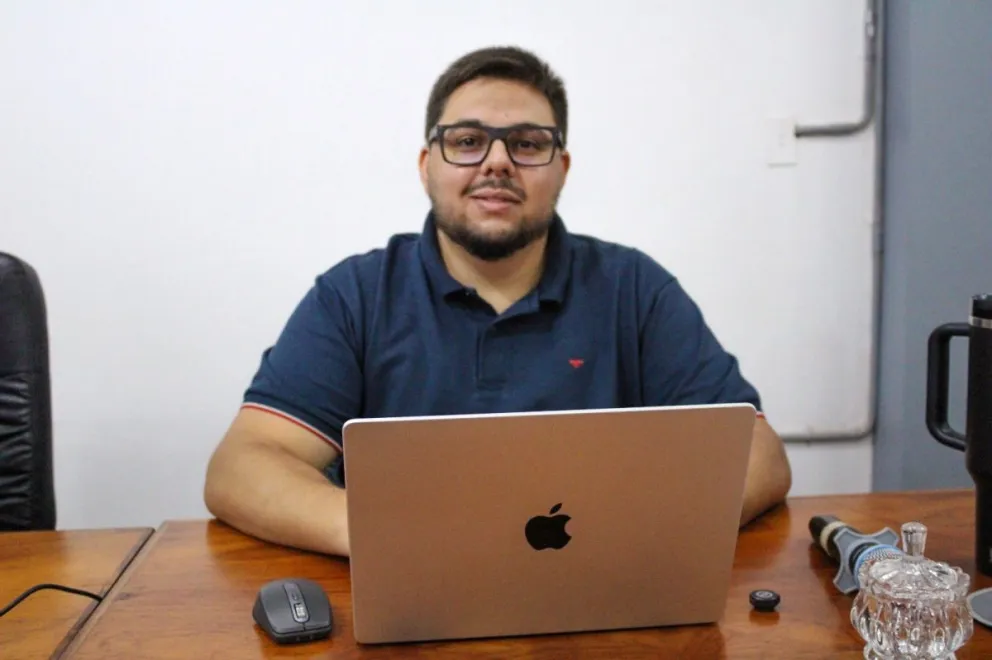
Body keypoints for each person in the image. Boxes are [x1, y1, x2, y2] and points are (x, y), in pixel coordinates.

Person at [203, 45, 792, 558]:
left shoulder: (635, 289)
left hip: (604, 588)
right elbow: (244, 466)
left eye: (528, 144)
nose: (497, 161)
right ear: (426, 166)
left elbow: (757, 455)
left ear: (561, 169)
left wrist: (627, 534)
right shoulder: (354, 297)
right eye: (467, 141)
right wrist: (386, 537)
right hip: (410, 591)